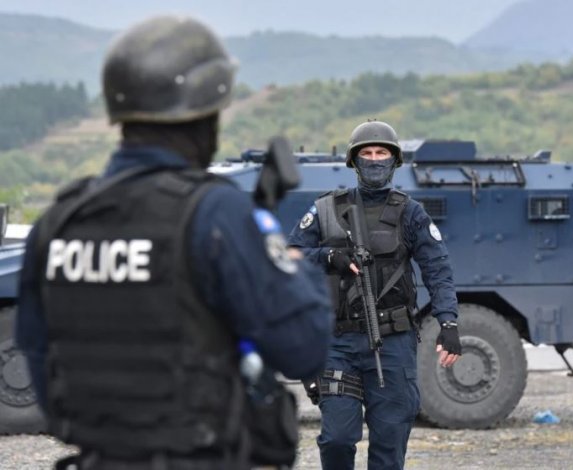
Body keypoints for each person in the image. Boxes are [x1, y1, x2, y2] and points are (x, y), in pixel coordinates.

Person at [14, 16, 334, 470]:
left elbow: (43, 371)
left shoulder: (59, 222)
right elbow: (303, 348)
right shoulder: (215, 213)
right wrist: (295, 268)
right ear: (205, 118)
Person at [288, 120, 462, 470]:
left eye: (381, 152)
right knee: (337, 439)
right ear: (354, 161)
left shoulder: (410, 213)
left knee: (389, 443)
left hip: (393, 342)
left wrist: (448, 323)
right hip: (338, 344)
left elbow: (438, 270)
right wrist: (328, 257)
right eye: (366, 153)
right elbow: (289, 256)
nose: (374, 159)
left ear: (394, 160)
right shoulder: (326, 209)